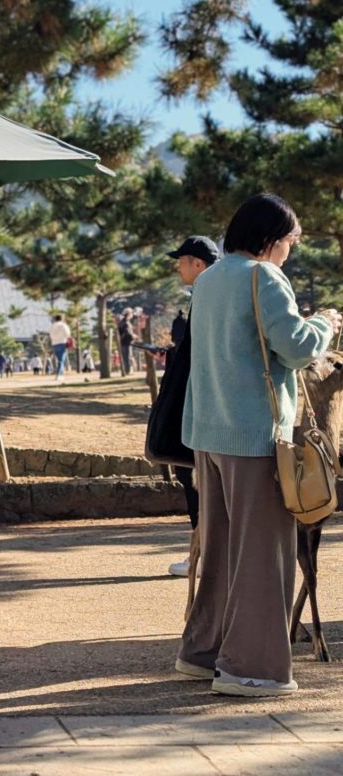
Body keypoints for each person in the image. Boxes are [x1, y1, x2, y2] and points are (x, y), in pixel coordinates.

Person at [177, 194, 341, 697]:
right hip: (255, 436)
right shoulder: (263, 277)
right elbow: (294, 347)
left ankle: (202, 653)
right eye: (290, 240)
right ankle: (252, 668)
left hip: (209, 433)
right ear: (272, 239)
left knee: (223, 551)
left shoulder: (207, 279)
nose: (290, 250)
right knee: (264, 556)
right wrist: (326, 323)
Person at [162, 235, 221, 577]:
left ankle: (202, 555)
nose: (178, 267)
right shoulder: (210, 294)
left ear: (197, 263)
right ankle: (203, 552)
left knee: (193, 475)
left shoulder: (207, 296)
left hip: (203, 404)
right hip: (207, 401)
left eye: (182, 261)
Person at [49, 314, 72, 381]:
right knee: (61, 360)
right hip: (62, 343)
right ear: (62, 319)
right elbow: (68, 334)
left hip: (55, 343)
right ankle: (58, 374)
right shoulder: (63, 325)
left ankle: (61, 374)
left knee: (59, 359)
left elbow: (51, 335)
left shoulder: (52, 326)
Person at [117, 309, 134, 375]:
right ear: (128, 314)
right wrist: (133, 336)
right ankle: (128, 371)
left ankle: (127, 370)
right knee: (128, 357)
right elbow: (127, 333)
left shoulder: (121, 322)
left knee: (125, 357)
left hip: (123, 342)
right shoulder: (126, 323)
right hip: (127, 342)